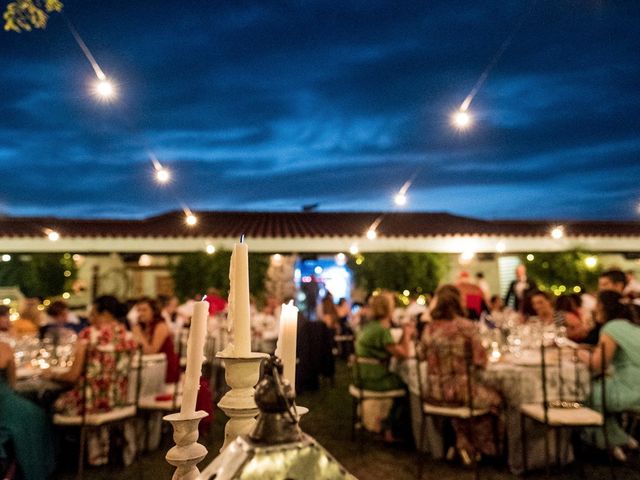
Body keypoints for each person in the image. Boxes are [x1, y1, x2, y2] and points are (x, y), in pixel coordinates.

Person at [48, 296, 138, 466]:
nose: (90, 316)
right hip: (118, 401)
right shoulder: (127, 335)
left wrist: (51, 374)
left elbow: (73, 376)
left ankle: (59, 461)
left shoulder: (90, 334)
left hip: (90, 404)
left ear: (104, 314)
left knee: (48, 404)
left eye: (93, 312)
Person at [421, 284, 502, 461]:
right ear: (459, 302)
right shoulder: (466, 327)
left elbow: (421, 355)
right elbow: (481, 360)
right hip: (463, 394)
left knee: (469, 404)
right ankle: (484, 450)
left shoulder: (430, 328)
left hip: (435, 393)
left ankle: (461, 443)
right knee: (498, 399)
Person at [578, 290, 640, 461]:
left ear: (603, 308)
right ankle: (623, 440)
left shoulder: (611, 327)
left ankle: (608, 444)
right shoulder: (631, 325)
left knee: (587, 392)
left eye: (596, 306)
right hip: (635, 383)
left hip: (632, 389)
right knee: (598, 390)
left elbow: (598, 365)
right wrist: (591, 350)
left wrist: (579, 354)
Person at [354, 292, 415, 441]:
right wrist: (407, 334)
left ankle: (387, 427)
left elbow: (393, 348)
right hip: (374, 379)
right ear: (388, 309)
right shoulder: (381, 331)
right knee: (408, 386)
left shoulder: (370, 327)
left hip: (362, 376)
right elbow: (404, 354)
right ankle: (390, 428)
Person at [0, 341, 55, 479]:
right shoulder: (4, 348)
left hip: (7, 405)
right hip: (7, 403)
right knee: (37, 415)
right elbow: (12, 383)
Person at [131, 297, 180, 383]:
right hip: (150, 367)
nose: (140, 313)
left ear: (153, 311)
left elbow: (151, 352)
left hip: (164, 369)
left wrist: (139, 334)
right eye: (138, 310)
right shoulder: (144, 326)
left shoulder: (161, 326)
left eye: (144, 310)